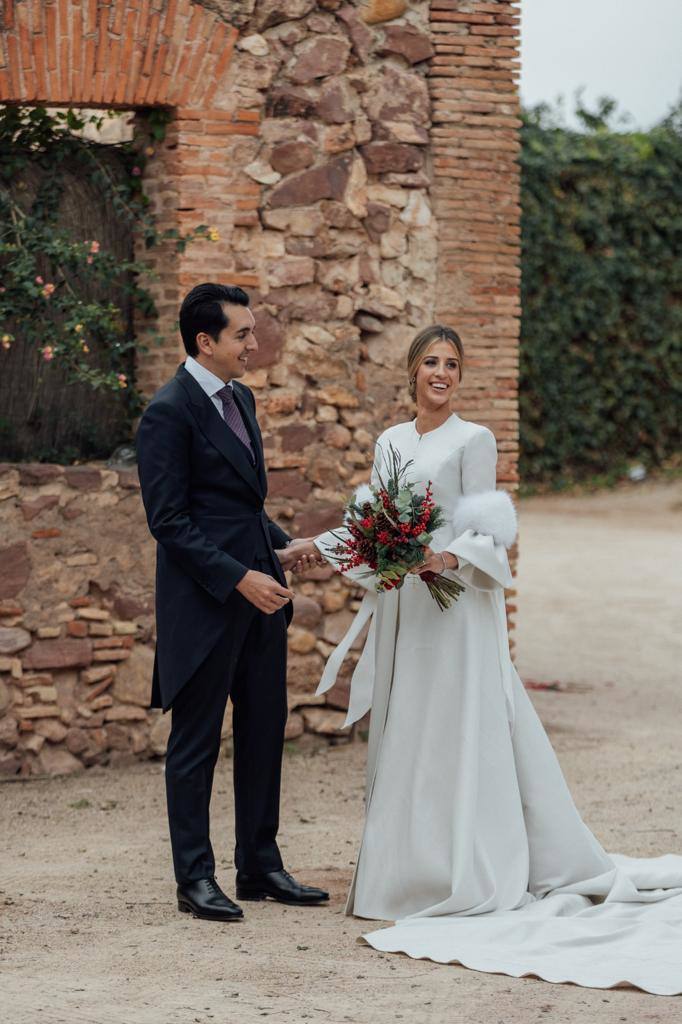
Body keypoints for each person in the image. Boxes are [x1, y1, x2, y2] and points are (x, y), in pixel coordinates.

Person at [302, 324, 682, 994]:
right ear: (412, 371)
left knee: (454, 729)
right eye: (429, 363)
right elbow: (373, 526)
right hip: (404, 610)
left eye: (451, 364)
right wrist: (314, 548)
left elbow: (487, 535)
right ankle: (401, 875)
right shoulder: (390, 442)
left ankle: (465, 872)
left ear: (461, 375)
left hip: (454, 611)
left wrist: (441, 557)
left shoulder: (474, 440)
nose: (440, 374)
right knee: (406, 729)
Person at [136, 283, 327, 922]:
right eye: (243, 333)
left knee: (264, 730)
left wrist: (280, 543)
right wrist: (240, 576)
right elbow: (170, 521)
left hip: (260, 599)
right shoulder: (168, 411)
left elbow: (238, 504)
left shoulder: (240, 397)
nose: (254, 343)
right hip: (205, 603)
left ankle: (260, 866)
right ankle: (194, 878)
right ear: (205, 341)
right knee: (194, 744)